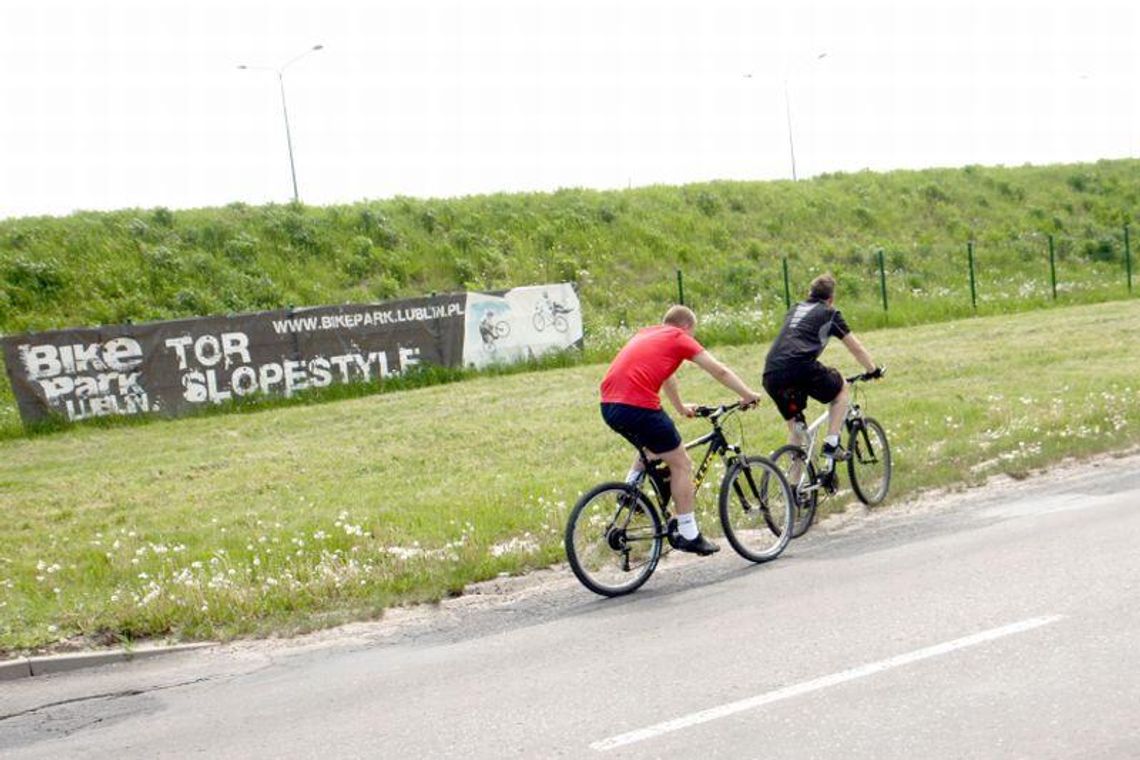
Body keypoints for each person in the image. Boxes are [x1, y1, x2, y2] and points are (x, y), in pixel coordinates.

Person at [600, 305, 764, 555]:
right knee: (681, 463)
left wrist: (680, 407)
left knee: (651, 446)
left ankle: (629, 493)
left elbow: (667, 376)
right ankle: (688, 532)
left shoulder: (647, 333)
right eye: (693, 332)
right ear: (687, 327)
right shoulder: (679, 338)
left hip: (609, 405)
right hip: (637, 405)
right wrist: (747, 394)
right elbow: (718, 370)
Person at [762, 273, 882, 465]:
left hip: (771, 373)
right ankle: (832, 443)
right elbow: (856, 348)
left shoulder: (795, 309)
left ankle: (793, 489)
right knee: (841, 387)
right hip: (800, 367)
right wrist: (873, 369)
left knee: (796, 429)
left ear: (809, 293)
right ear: (831, 299)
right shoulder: (830, 314)